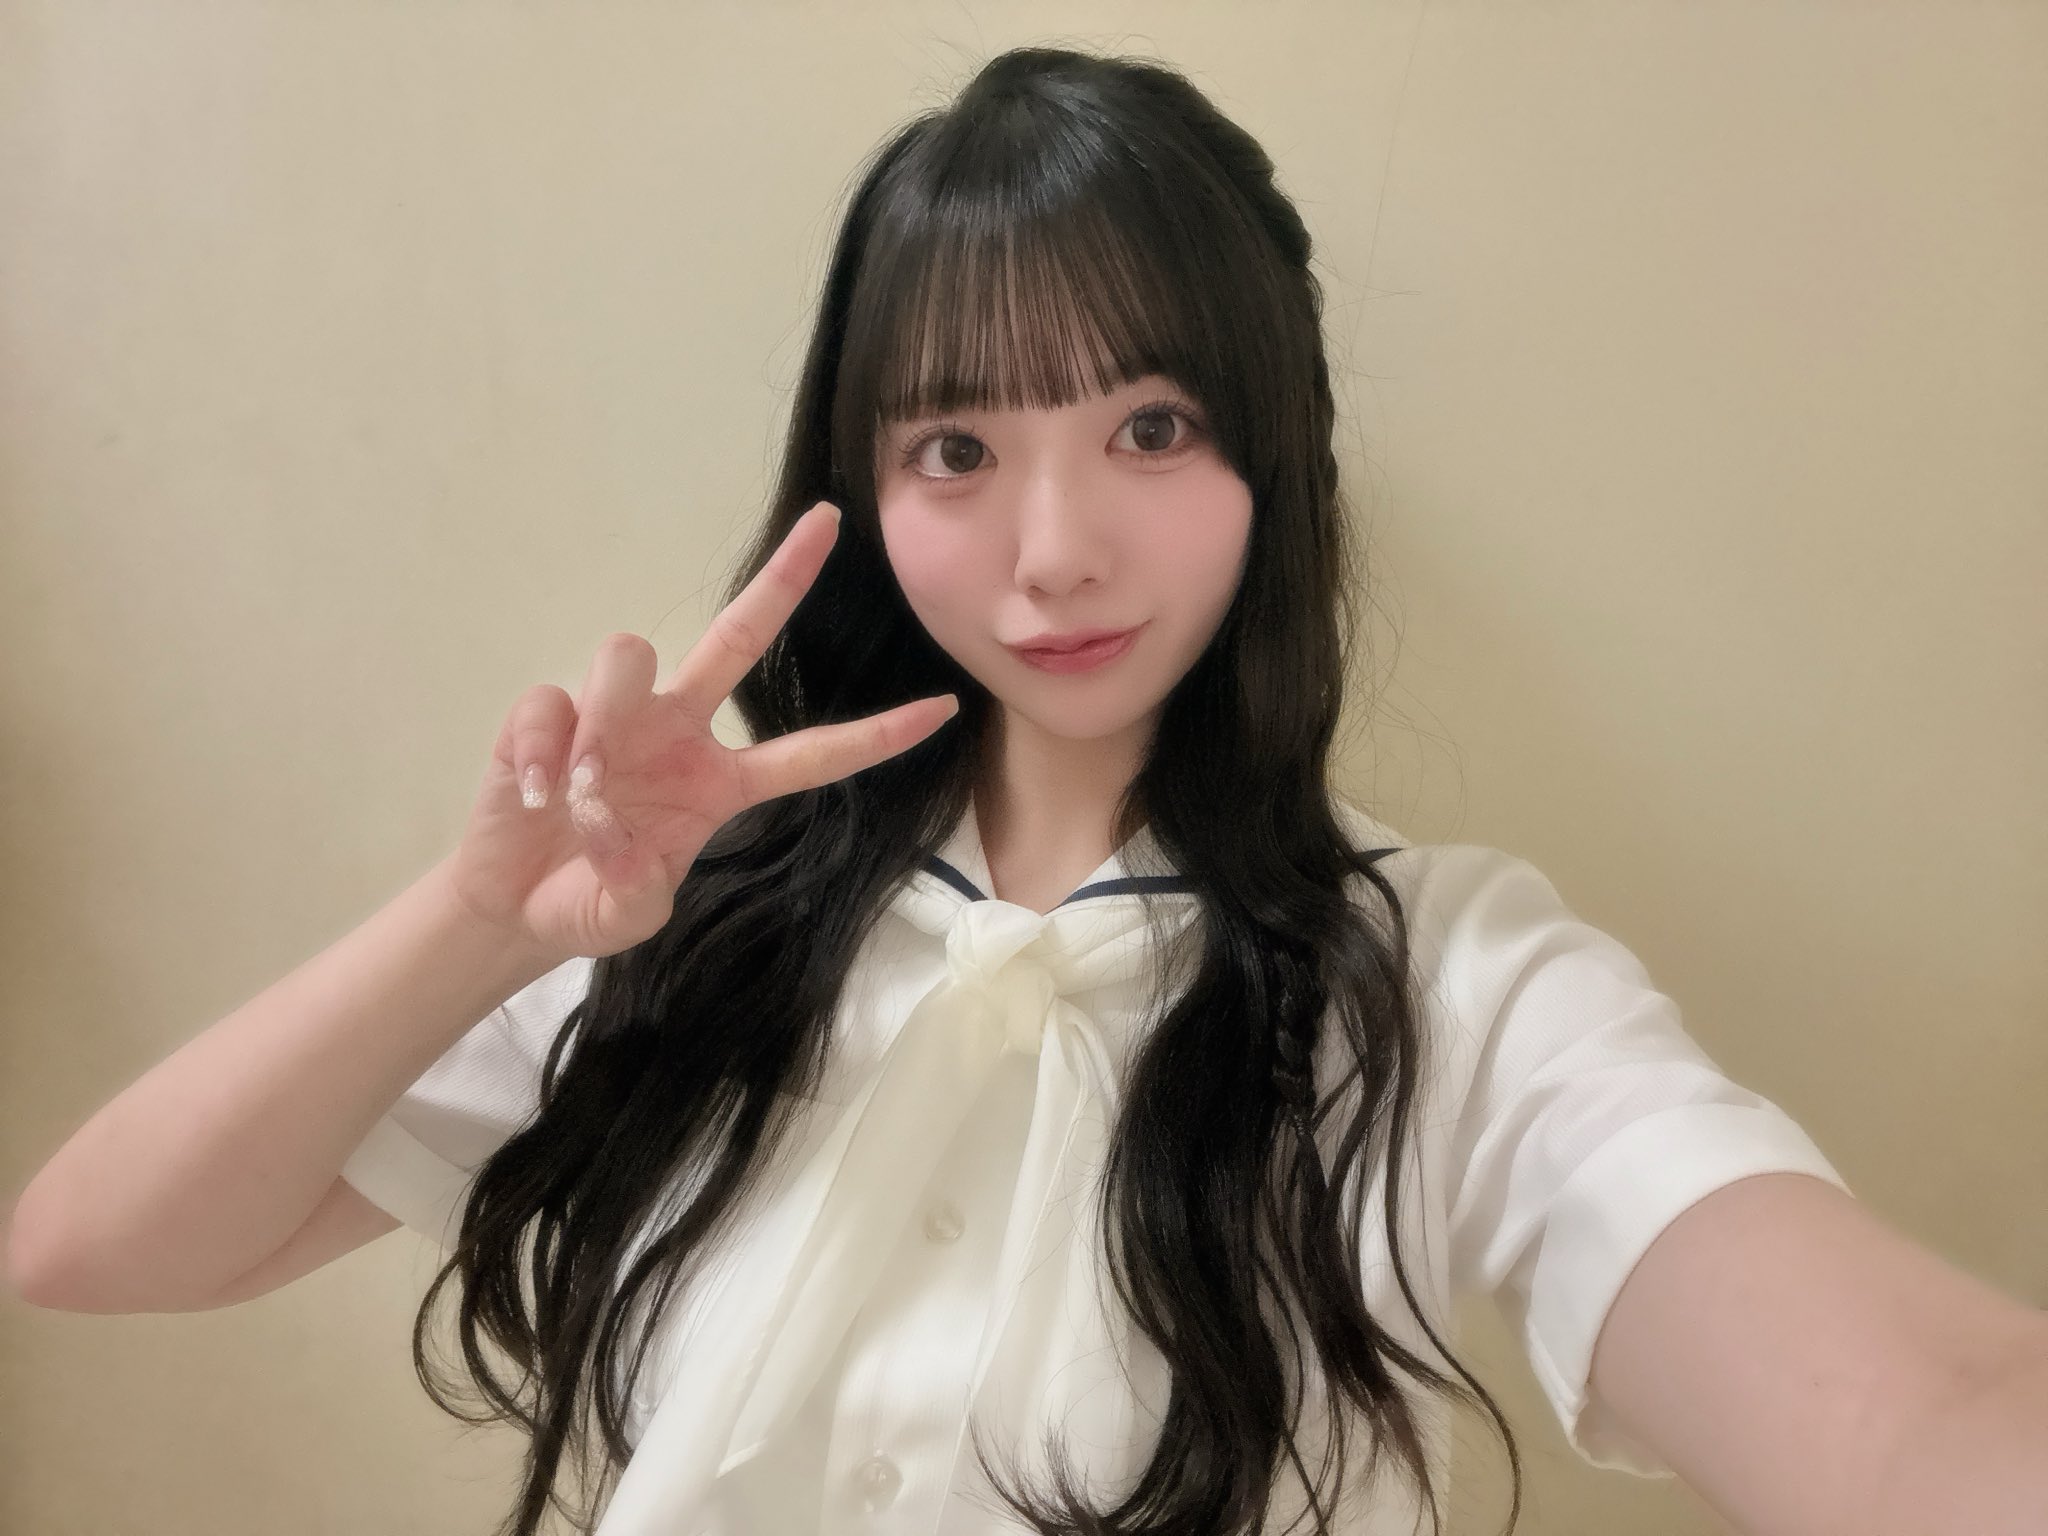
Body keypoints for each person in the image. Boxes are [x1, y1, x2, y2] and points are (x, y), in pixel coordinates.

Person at [17, 42, 2039, 1536]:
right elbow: (91, 1246)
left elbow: (1911, 1414)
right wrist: (479, 920)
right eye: (957, 451)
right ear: (862, 488)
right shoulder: (692, 913)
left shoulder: (1444, 981)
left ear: (1274, 460)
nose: (1055, 552)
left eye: (1150, 428)